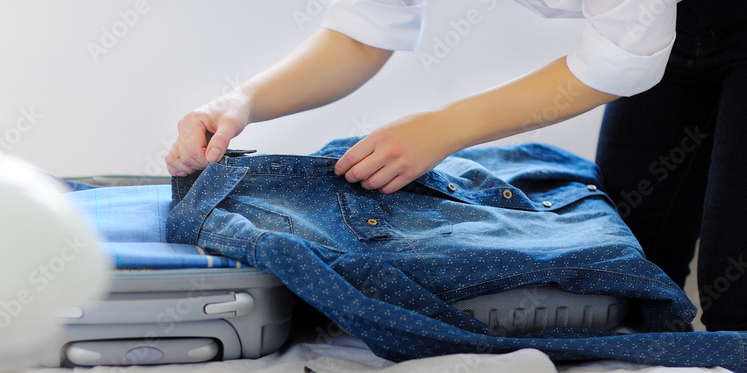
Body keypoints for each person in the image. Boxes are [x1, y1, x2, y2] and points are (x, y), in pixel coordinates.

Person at [165, 0, 746, 332]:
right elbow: (361, 35)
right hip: (676, 30)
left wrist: (447, 127)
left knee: (734, 293)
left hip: (669, 31)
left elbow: (621, 63)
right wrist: (238, 101)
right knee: (630, 263)